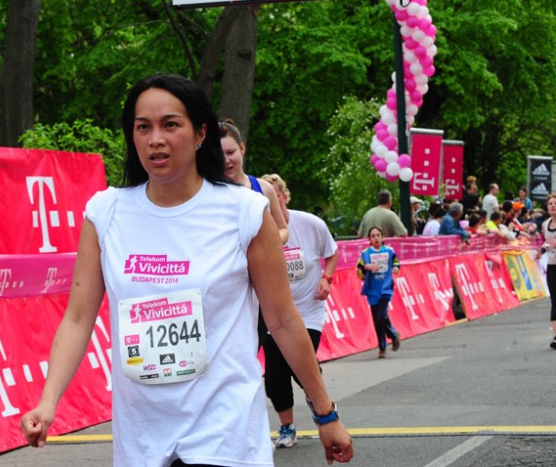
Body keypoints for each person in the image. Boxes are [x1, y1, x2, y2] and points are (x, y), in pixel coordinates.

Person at [18, 73, 354, 466]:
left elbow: (282, 321)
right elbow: (78, 318)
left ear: (200, 134)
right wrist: (47, 402)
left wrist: (325, 413)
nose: (155, 139)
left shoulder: (243, 212)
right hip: (142, 438)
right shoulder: (106, 213)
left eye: (170, 125)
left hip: (225, 432)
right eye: (143, 127)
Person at [260, 173, 339, 449]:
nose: (271, 203)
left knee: (296, 365)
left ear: (285, 197)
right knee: (274, 377)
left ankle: (321, 404)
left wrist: (326, 278)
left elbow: (332, 252)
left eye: (276, 197)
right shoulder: (258, 230)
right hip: (274, 313)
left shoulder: (310, 224)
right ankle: (287, 427)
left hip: (308, 311)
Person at [218, 118, 288, 244]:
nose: (225, 160)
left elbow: (283, 229)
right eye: (219, 154)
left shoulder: (264, 188)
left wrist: (267, 243)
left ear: (242, 149)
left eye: (230, 152)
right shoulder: (207, 190)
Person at [356, 226, 401, 359]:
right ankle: (382, 347)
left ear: (383, 237)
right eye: (373, 236)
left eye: (378, 235)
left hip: (385, 288)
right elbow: (358, 270)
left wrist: (395, 268)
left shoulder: (389, 251)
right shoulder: (365, 254)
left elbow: (396, 261)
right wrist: (367, 267)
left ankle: (392, 334)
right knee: (377, 320)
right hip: (372, 290)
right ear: (369, 239)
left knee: (381, 315)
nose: (376, 238)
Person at [540, 194, 556, 350]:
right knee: (555, 301)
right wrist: (541, 251)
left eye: (555, 203)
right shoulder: (545, 224)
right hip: (552, 265)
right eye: (550, 203)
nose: (553, 206)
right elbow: (546, 242)